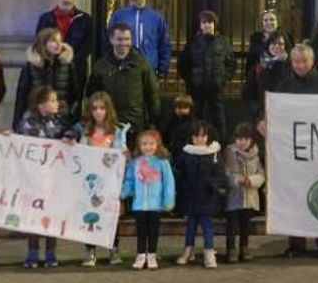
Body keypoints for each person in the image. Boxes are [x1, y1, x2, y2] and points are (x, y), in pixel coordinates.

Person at [274, 44, 318, 259]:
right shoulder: (283, 87)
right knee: (295, 195)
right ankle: (296, 243)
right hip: (294, 153)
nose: (300, 65)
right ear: (291, 63)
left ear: (313, 62)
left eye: (304, 61)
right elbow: (274, 114)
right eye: (296, 62)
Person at [15, 86, 77, 268]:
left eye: (56, 100)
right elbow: (27, 144)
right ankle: (32, 252)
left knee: (52, 214)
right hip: (33, 177)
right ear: (41, 104)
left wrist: (69, 136)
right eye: (52, 100)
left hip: (54, 176)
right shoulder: (28, 121)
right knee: (34, 214)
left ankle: (51, 252)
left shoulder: (59, 120)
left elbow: (70, 131)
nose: (56, 104)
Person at [77, 91, 130, 267]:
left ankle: (113, 249)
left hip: (110, 182)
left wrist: (125, 155)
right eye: (94, 108)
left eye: (102, 108)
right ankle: (90, 251)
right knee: (90, 217)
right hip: (91, 182)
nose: (98, 112)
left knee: (111, 217)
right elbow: (81, 153)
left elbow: (123, 152)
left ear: (108, 109)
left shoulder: (117, 130)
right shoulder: (86, 130)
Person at [85, 23, 160, 146]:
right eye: (119, 39)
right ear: (111, 40)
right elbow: (92, 95)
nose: (124, 43)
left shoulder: (142, 64)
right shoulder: (101, 66)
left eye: (127, 39)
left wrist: (152, 122)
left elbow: (152, 94)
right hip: (108, 125)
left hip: (134, 124)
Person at [121, 129, 175, 271]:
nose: (148, 147)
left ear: (157, 144)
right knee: (141, 231)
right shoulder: (135, 162)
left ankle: (151, 254)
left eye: (151, 143)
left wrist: (168, 200)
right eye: (144, 144)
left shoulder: (162, 162)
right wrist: (122, 193)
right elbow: (129, 181)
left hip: (155, 205)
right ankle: (140, 255)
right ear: (139, 146)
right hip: (139, 205)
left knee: (153, 231)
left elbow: (169, 183)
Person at [175, 121, 226, 269]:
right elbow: (179, 171)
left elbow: (220, 174)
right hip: (190, 196)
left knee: (207, 226)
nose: (199, 139)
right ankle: (188, 250)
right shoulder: (186, 153)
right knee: (190, 225)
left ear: (208, 137)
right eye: (196, 136)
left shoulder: (214, 152)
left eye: (203, 136)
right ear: (191, 137)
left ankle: (209, 252)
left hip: (207, 196)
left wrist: (212, 185)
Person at [177, 10, 235, 132]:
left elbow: (231, 64)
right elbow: (183, 64)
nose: (207, 25)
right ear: (200, 25)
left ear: (215, 24)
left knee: (219, 119)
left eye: (210, 22)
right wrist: (191, 80)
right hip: (197, 89)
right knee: (196, 118)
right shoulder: (193, 43)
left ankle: (221, 145)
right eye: (204, 22)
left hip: (216, 88)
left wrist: (223, 79)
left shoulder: (224, 43)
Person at [13, 28, 79, 132]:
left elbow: (75, 95)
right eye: (53, 41)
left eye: (60, 40)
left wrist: (71, 116)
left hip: (62, 119)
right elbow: (22, 96)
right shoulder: (30, 67)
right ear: (43, 44)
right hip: (36, 120)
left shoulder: (68, 65)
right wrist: (16, 124)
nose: (58, 44)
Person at [35, 0, 94, 92]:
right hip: (50, 71)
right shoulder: (45, 19)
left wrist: (70, 60)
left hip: (76, 72)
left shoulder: (86, 20)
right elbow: (39, 44)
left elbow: (88, 46)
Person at [107, 0, 173, 78]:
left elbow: (164, 44)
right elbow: (108, 40)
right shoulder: (119, 15)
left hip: (149, 68)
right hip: (123, 67)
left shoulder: (156, 18)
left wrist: (162, 68)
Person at [223, 122, 266, 263]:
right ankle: (231, 250)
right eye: (239, 139)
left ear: (250, 140)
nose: (242, 142)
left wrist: (251, 180)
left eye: (246, 139)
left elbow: (261, 175)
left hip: (249, 196)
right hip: (234, 196)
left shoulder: (255, 155)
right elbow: (225, 173)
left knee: (245, 225)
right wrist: (236, 179)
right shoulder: (230, 153)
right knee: (232, 225)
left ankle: (244, 248)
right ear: (235, 140)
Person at [243, 31, 290, 117]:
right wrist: (258, 111)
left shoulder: (292, 68)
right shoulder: (258, 68)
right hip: (262, 117)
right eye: (273, 43)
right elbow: (248, 96)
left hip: (285, 116)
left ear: (285, 46)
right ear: (268, 45)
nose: (276, 46)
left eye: (280, 44)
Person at [244, 10, 292, 89]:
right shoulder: (255, 39)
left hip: (282, 80)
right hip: (259, 81)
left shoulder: (287, 38)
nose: (269, 22)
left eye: (272, 19)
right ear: (262, 23)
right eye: (265, 20)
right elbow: (251, 61)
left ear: (277, 22)